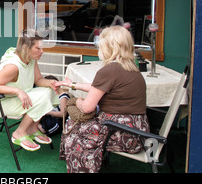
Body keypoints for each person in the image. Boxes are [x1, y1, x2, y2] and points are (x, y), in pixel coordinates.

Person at [56, 25, 150, 173]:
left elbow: (87, 107)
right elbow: (99, 88)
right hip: (138, 132)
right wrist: (73, 85)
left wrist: (75, 101)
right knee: (78, 124)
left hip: (120, 132)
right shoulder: (131, 67)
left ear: (108, 47)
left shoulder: (108, 70)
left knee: (74, 128)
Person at [0, 29, 60, 152]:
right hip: (3, 103)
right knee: (42, 97)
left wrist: (51, 83)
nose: (42, 51)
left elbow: (38, 80)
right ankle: (19, 132)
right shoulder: (13, 67)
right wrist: (18, 91)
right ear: (26, 48)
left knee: (49, 91)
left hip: (22, 99)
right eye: (38, 48)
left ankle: (32, 128)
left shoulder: (30, 59)